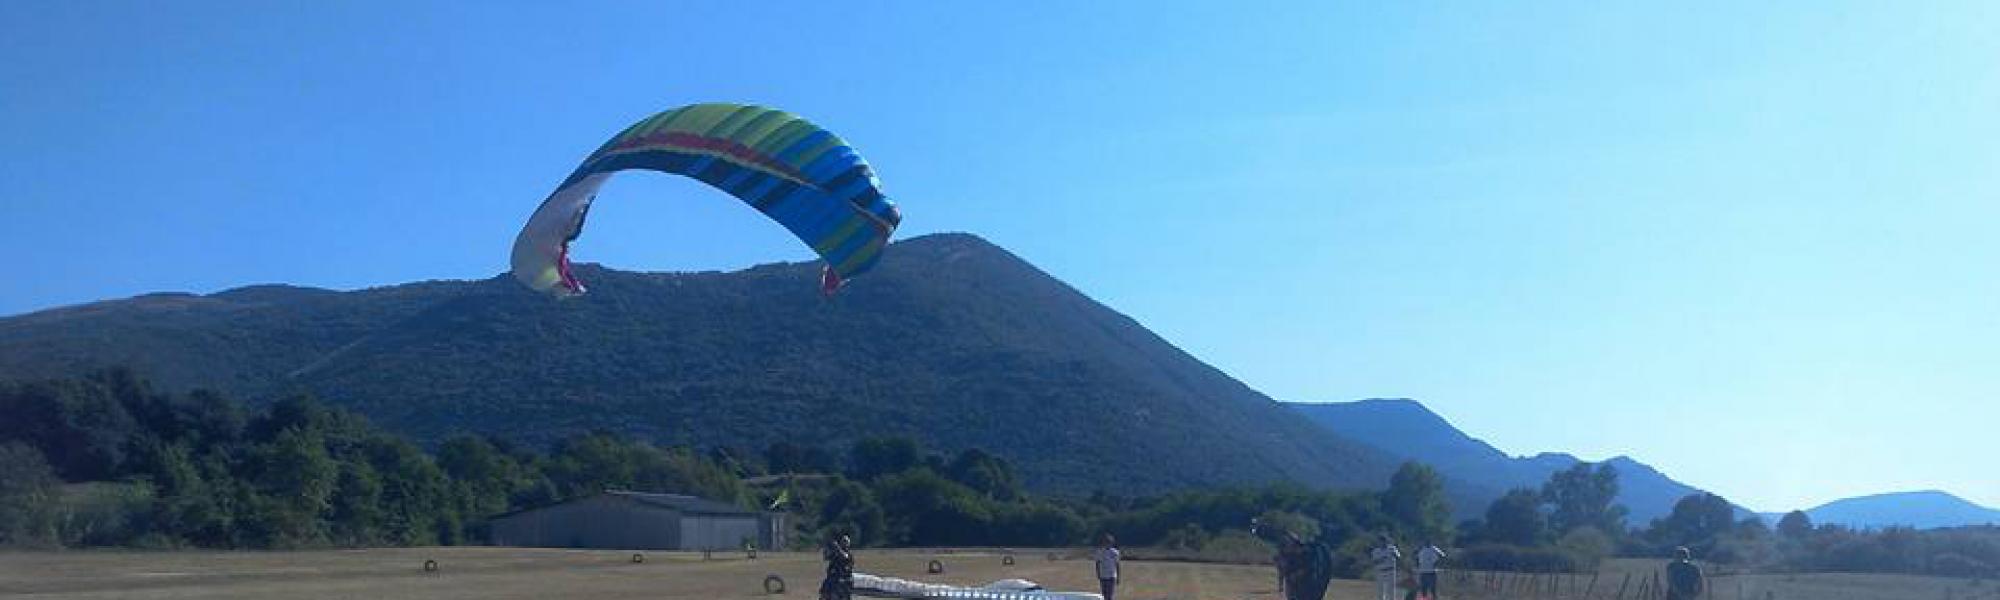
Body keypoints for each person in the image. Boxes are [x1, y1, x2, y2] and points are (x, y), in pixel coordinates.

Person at [820, 534, 854, 600]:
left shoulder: (849, 554)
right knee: (824, 595)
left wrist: (837, 547)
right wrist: (826, 548)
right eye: (843, 541)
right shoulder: (836, 554)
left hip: (843, 580)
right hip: (832, 578)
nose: (844, 543)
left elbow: (845, 557)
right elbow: (826, 557)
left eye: (845, 542)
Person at [1370, 533, 1403, 600]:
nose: (1382, 542)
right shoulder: (1376, 551)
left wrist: (1394, 554)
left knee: (1391, 590)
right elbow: (1374, 561)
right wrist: (1382, 559)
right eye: (1380, 541)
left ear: (1386, 541)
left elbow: (1399, 557)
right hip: (1380, 571)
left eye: (1383, 541)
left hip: (1390, 570)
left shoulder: (1392, 548)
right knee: (1380, 591)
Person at [1092, 533, 1121, 600]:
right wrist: (1098, 573)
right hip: (1103, 575)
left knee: (1110, 594)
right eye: (1106, 542)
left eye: (1109, 542)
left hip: (1111, 575)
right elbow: (1097, 563)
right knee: (1104, 594)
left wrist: (1118, 576)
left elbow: (1117, 564)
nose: (1107, 544)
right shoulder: (1100, 552)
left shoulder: (1115, 552)